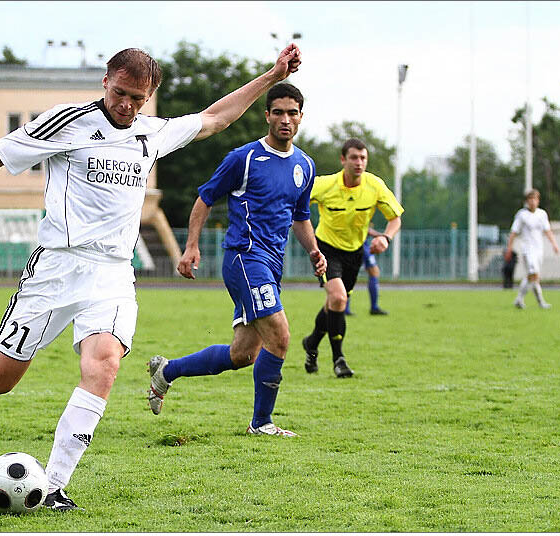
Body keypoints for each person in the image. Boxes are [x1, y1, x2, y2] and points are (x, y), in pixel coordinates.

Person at [0, 44, 303, 510]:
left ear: (150, 98)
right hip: (56, 267)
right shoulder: (67, 122)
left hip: (112, 272)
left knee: (104, 363)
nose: (127, 105)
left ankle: (52, 486)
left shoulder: (152, 132)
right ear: (105, 82)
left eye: (138, 98)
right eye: (121, 93)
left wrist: (271, 76)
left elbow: (215, 119)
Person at [146, 83, 326, 437]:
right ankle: (261, 424)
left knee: (243, 354)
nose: (285, 119)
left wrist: (314, 250)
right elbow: (205, 198)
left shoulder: (305, 165)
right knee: (281, 336)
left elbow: (300, 216)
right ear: (267, 116)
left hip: (272, 266)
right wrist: (191, 246)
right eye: (278, 112)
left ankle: (166, 372)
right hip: (245, 258)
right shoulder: (243, 158)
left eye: (292, 113)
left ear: (301, 117)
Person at [301, 138, 403, 378]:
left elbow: (395, 218)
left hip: (355, 252)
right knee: (338, 298)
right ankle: (339, 360)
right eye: (354, 158)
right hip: (325, 249)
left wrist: (386, 238)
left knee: (335, 304)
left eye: (363, 158)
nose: (359, 163)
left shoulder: (375, 185)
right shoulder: (324, 185)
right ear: (343, 159)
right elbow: (297, 201)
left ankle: (312, 343)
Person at [505, 188, 560, 309]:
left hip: (539, 249)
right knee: (533, 273)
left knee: (535, 277)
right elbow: (513, 232)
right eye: (530, 199)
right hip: (527, 249)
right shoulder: (522, 215)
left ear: (538, 201)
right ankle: (521, 299)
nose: (532, 202)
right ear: (527, 201)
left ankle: (537, 302)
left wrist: (554, 244)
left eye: (535, 199)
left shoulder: (542, 214)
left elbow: (547, 231)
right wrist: (509, 247)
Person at [344, 228, 388, 316]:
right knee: (373, 272)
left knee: (348, 274)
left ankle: (345, 308)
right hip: (359, 244)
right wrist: (380, 236)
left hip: (357, 243)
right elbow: (363, 226)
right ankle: (374, 307)